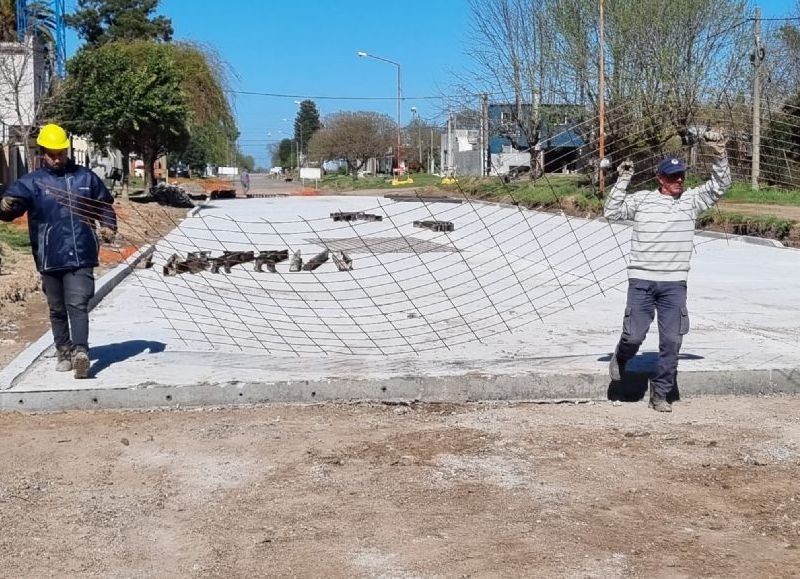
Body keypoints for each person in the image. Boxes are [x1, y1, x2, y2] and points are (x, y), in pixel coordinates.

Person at [604, 130, 730, 412]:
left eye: (681, 176)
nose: (679, 181)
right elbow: (611, 212)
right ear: (660, 179)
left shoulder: (692, 201)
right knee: (633, 336)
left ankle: (660, 393)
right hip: (642, 281)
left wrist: (720, 154)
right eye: (673, 177)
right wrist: (623, 179)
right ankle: (621, 357)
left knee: (672, 340)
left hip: (674, 284)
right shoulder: (642, 200)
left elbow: (720, 185)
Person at [0, 123, 117, 379]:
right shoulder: (31, 183)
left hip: (82, 251)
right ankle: (63, 351)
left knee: (78, 302)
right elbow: (11, 209)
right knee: (56, 307)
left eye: (61, 153)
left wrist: (108, 226)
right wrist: (7, 206)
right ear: (42, 152)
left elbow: (104, 206)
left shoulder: (86, 178)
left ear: (67, 150)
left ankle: (81, 352)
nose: (57, 158)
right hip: (49, 254)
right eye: (51, 154)